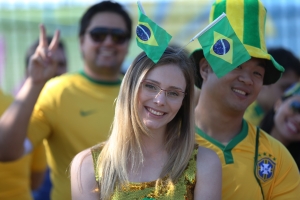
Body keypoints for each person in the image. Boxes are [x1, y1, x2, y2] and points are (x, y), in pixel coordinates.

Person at [0, 1, 132, 200]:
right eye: (98, 35)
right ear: (81, 41)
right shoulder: (58, 92)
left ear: (127, 43)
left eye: (118, 36)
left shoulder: (142, 93)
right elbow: (5, 150)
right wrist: (35, 83)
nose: (108, 42)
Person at [70, 46, 222, 200]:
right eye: (150, 86)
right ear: (130, 87)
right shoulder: (87, 165)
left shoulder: (204, 163)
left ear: (184, 102)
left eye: (173, 93)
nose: (160, 100)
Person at [190, 0, 300, 199]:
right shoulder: (163, 141)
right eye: (237, 65)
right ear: (206, 68)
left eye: (257, 73)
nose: (247, 79)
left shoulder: (277, 156)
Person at [0, 36, 66, 200]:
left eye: (61, 64)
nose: (54, 70)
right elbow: (37, 180)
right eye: (46, 63)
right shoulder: (23, 110)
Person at [245, 47, 300, 126]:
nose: (289, 96)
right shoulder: (243, 119)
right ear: (264, 80)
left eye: (293, 90)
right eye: (285, 88)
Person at [260, 82, 300, 170]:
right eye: (297, 107)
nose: (299, 120)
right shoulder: (239, 138)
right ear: (278, 104)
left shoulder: (294, 171)